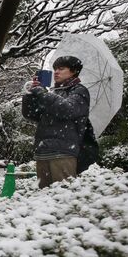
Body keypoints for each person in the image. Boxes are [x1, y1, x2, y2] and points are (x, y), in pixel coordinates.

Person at [22, 55, 94, 189]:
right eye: (55, 69)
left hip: (63, 152)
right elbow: (31, 115)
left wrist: (43, 93)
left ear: (73, 71)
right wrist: (30, 95)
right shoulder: (53, 93)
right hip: (43, 151)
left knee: (63, 195)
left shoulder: (79, 91)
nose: (56, 72)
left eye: (61, 69)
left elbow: (67, 110)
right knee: (44, 199)